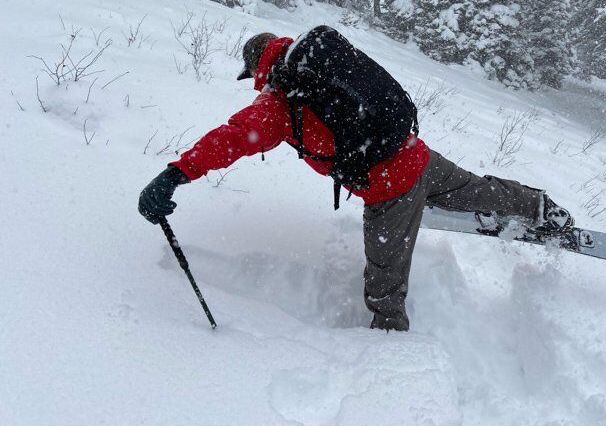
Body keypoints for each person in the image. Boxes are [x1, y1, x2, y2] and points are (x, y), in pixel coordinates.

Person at [139, 28, 573, 332]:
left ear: (256, 69)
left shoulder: (281, 102)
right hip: (415, 152)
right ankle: (540, 207)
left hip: (389, 189)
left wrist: (175, 174)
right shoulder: (322, 60)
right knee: (477, 190)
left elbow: (234, 137)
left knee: (384, 283)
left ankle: (390, 342)